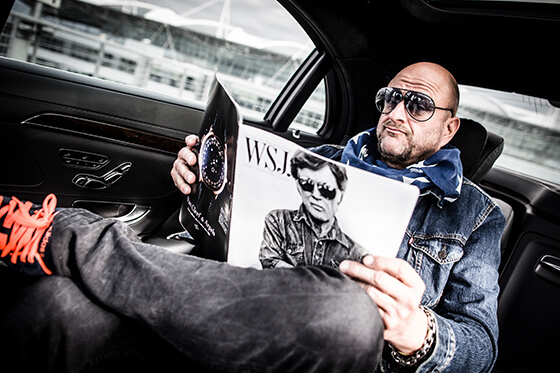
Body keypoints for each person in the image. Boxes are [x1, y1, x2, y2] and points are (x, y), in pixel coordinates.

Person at [1, 62, 504, 372]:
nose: (396, 111)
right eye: (390, 98)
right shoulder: (318, 157)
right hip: (239, 310)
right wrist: (202, 186)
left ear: (449, 128)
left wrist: (421, 335)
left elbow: (481, 347)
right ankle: (73, 243)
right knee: (56, 305)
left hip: (343, 346)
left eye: (417, 105)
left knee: (350, 312)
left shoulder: (473, 216)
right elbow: (223, 239)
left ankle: (71, 238)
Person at [259, 149, 368, 269]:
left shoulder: (357, 254)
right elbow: (269, 262)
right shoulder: (278, 221)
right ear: (298, 187)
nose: (315, 195)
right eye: (306, 184)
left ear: (340, 195)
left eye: (326, 189)